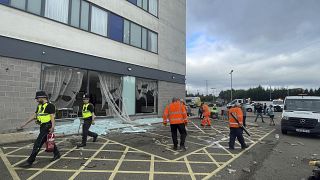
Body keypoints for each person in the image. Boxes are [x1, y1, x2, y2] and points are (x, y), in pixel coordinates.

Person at [19, 90, 60, 167]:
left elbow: (52, 117)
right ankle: (57, 154)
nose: (37, 100)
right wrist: (25, 123)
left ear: (43, 97)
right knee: (47, 141)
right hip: (42, 126)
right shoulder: (39, 106)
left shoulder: (50, 106)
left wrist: (53, 127)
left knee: (37, 144)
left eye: (37, 98)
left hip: (47, 127)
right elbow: (34, 115)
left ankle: (30, 161)